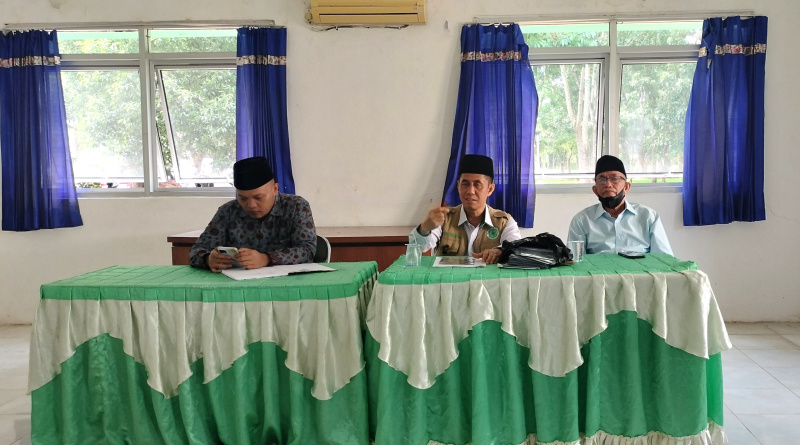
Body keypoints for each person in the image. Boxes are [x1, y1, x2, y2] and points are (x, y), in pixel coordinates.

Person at [190, 156, 317, 272]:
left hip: (285, 283)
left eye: (258, 197)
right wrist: (208, 259)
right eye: (243, 198)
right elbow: (196, 250)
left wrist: (266, 258)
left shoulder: (296, 206)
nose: (251, 205)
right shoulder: (228, 212)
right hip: (238, 285)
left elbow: (307, 250)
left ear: (275, 189)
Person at [410, 154, 521, 264]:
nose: (470, 191)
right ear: (458, 186)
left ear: (490, 189)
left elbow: (517, 250)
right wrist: (425, 228)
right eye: (465, 184)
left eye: (477, 184)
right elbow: (417, 248)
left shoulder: (504, 222)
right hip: (448, 276)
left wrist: (500, 251)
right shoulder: (444, 218)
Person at [567, 155, 673, 255]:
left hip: (640, 269)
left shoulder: (648, 216)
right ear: (595, 190)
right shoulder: (582, 220)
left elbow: (664, 258)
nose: (608, 185)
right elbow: (576, 260)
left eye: (614, 179)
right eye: (602, 180)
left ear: (626, 187)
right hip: (600, 269)